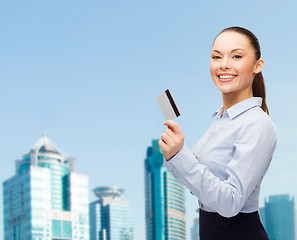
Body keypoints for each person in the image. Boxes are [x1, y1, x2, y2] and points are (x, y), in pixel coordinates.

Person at [158, 26, 277, 240]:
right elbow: (204, 188)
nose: (224, 65)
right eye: (216, 56)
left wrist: (180, 156)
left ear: (257, 65)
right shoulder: (221, 119)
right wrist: (176, 155)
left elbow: (230, 203)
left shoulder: (257, 124)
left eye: (237, 56)